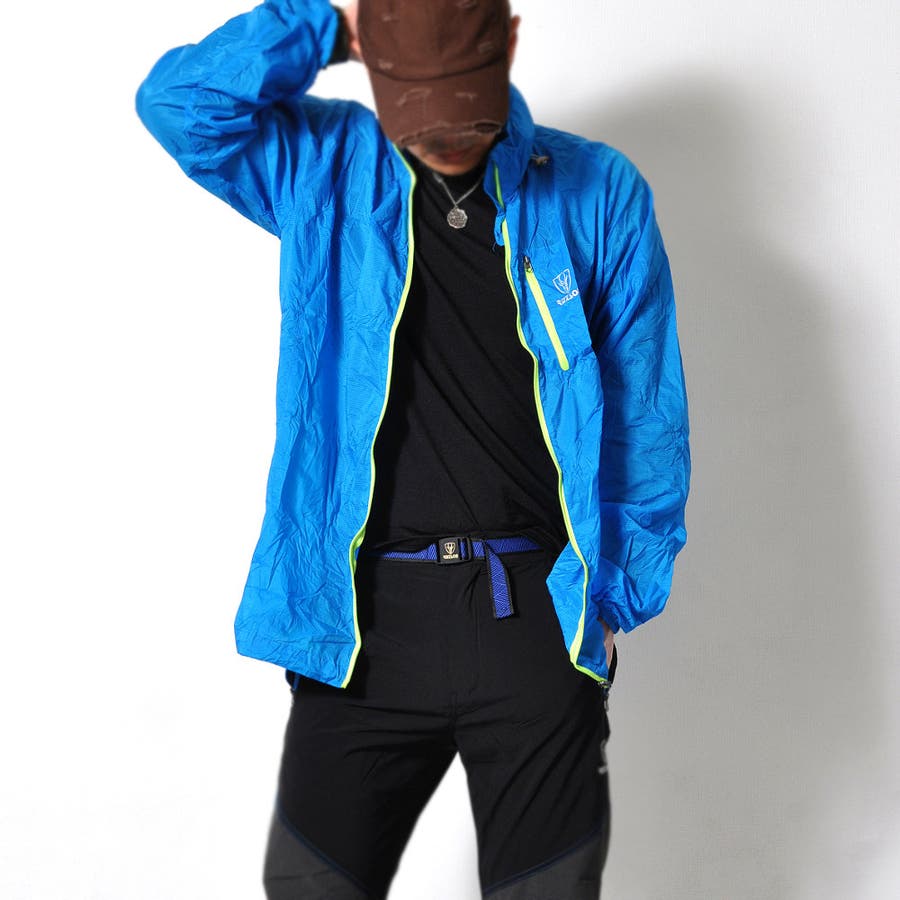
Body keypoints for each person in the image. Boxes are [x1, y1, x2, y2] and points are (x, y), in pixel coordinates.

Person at [136, 1, 691, 896]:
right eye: (421, 110)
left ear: (510, 42)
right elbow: (180, 105)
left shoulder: (597, 190)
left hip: (533, 618)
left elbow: (646, 413)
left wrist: (610, 602)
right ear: (378, 72)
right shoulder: (326, 168)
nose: (445, 136)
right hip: (363, 626)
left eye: (464, 110)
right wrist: (325, 29)